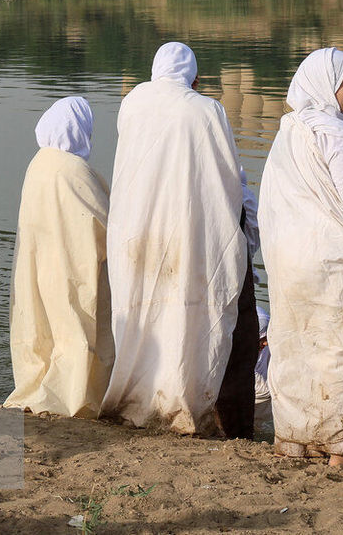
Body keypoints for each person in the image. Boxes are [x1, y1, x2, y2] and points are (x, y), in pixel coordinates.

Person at [101, 42, 258, 438]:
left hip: (138, 230)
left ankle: (138, 399)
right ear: (195, 79)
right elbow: (225, 179)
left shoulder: (133, 103)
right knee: (188, 317)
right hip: (189, 231)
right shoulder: (207, 110)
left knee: (146, 313)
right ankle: (183, 403)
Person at [258, 48, 343, 467]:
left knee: (297, 348)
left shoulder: (291, 130)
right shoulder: (335, 134)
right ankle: (342, 450)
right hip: (335, 266)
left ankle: (294, 441)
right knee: (342, 350)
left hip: (292, 262)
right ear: (325, 85)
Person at [3, 96, 114, 418]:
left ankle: (40, 389)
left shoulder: (39, 163)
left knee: (44, 327)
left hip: (39, 266)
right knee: (78, 329)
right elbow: (105, 222)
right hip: (74, 268)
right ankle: (74, 398)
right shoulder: (75, 171)